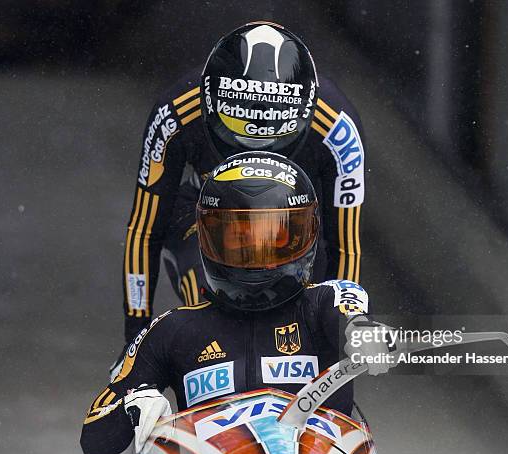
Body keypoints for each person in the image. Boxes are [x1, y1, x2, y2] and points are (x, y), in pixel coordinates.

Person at [82, 152, 374, 454]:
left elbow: (352, 312)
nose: (255, 252)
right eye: (238, 237)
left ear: (305, 234)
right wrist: (132, 406)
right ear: (209, 237)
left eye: (274, 236)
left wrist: (366, 334)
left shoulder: (323, 306)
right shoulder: (173, 332)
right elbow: (94, 439)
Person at [122, 21, 365, 345]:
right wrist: (135, 340)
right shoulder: (175, 114)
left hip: (293, 222)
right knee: (206, 303)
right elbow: (144, 229)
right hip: (206, 212)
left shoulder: (337, 130)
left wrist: (338, 342)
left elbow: (344, 245)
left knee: (308, 307)